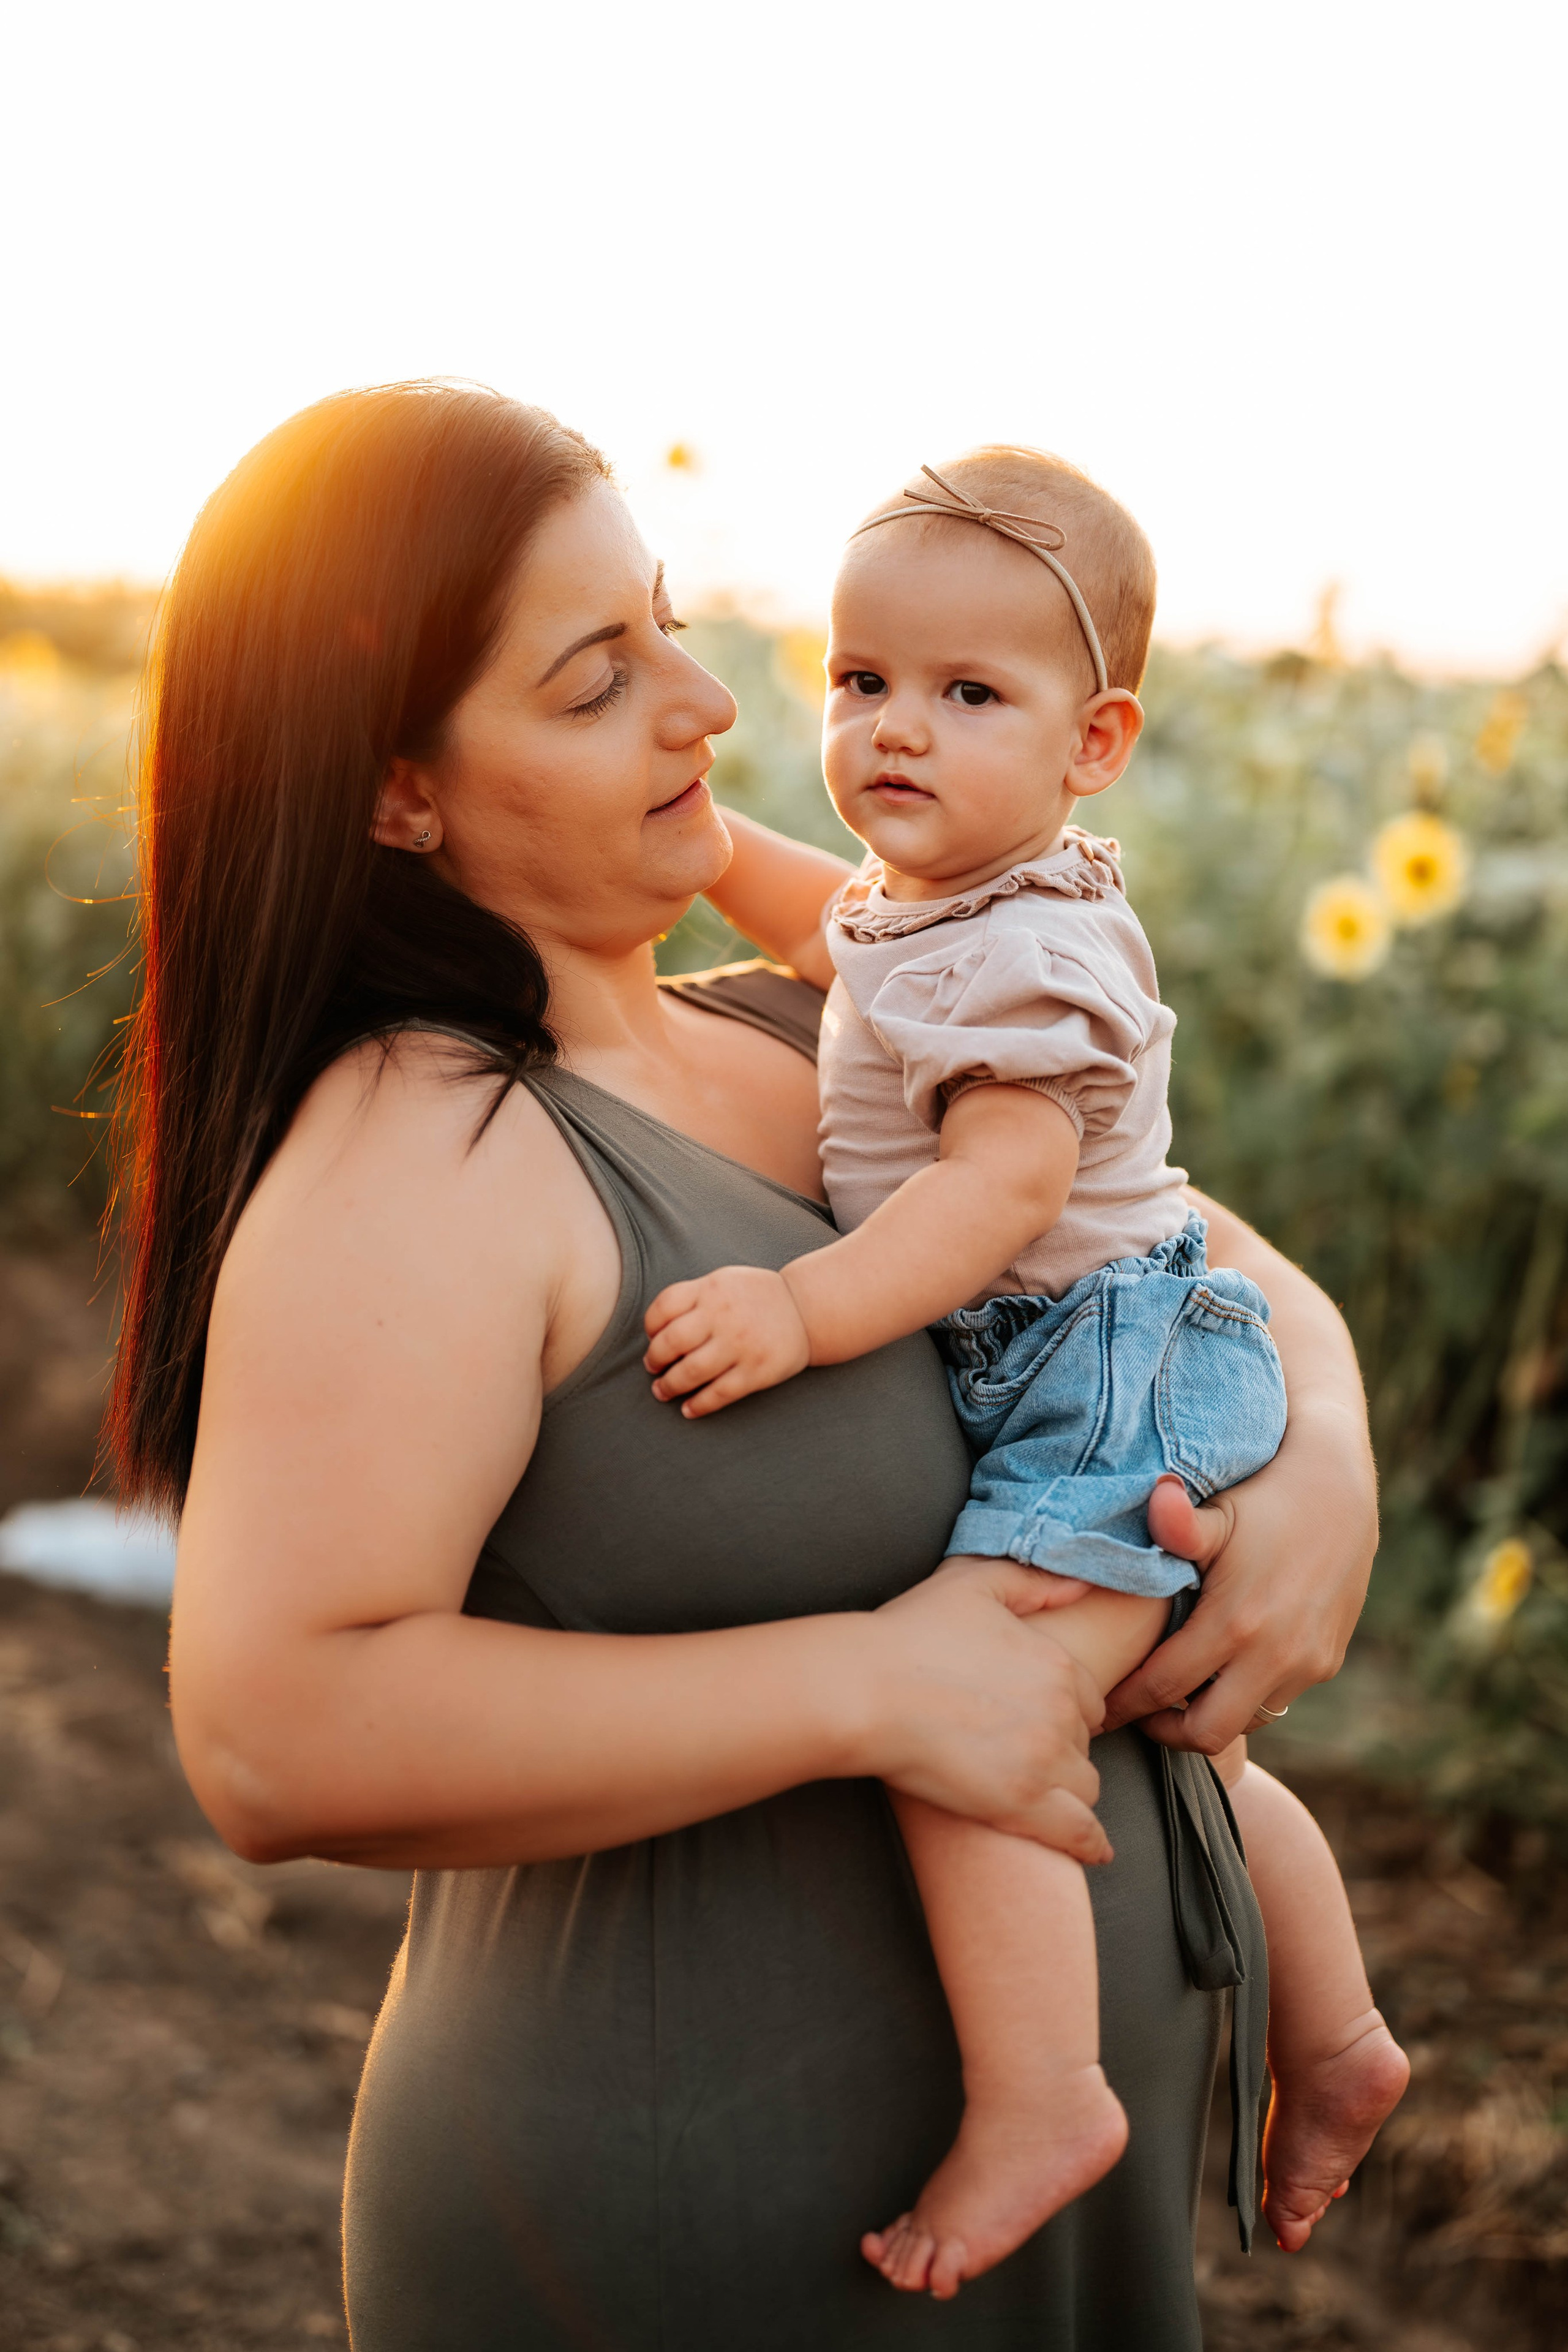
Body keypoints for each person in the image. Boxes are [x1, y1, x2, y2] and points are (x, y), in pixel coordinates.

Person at [116, 382, 1378, 2350]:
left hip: (1007, 2228)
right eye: (594, 674)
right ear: (397, 788)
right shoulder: (419, 1157)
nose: (707, 706)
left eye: (675, 622)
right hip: (705, 2213)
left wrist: (1330, 1453)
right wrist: (876, 1685)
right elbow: (277, 1733)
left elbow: (1146, 1223)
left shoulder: (809, 1026)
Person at [644, 447, 1409, 2297]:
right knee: (1157, 1731)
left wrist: (808, 1311)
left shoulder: (1035, 953)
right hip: (1097, 1364)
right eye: (861, 681)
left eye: (968, 694)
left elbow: (1006, 1187)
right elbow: (825, 917)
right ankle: (1339, 2036)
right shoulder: (948, 902)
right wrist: (704, 844)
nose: (895, 729)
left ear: (1096, 742)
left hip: (1105, 1372)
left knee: (968, 1714)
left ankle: (1044, 2100)